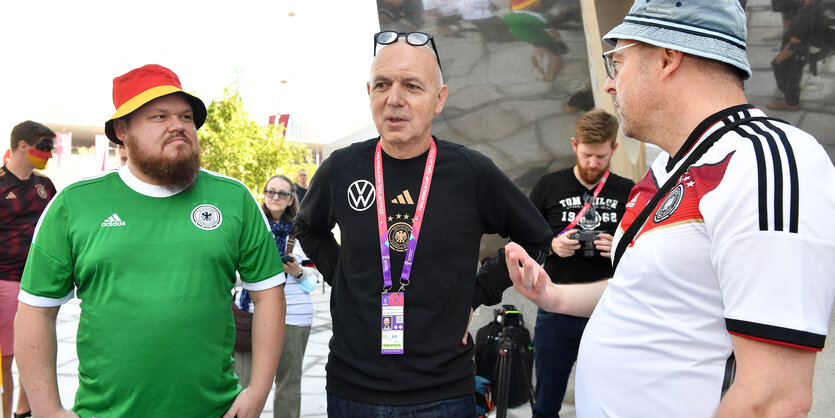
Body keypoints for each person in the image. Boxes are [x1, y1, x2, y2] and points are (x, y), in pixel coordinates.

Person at [505, 1, 835, 416]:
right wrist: (556, 297)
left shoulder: (765, 160)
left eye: (617, 62)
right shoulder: (670, 164)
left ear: (666, 58)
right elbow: (653, 289)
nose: (610, 85)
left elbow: (774, 399)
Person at [295, 31, 552, 416]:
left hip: (442, 391)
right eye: (382, 84)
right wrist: (341, 275)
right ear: (369, 92)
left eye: (412, 85)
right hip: (352, 388)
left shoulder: (470, 172)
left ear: (439, 98)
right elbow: (308, 228)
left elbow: (536, 239)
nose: (394, 98)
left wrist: (478, 291)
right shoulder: (341, 168)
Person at [14, 64, 287, 418]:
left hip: (215, 410)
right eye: (159, 116)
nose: (178, 125)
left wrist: (257, 391)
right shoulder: (73, 203)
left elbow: (268, 294)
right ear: (122, 130)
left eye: (186, 116)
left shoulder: (233, 198)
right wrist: (48, 410)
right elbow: (35, 310)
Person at [527, 108, 634, 418]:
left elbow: (648, 249)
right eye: (586, 154)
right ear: (574, 145)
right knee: (547, 401)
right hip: (557, 309)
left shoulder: (628, 190)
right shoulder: (548, 186)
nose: (592, 164)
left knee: (609, 402)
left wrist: (620, 246)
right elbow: (523, 241)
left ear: (614, 149)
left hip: (610, 310)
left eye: (601, 157)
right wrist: (551, 244)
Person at [233, 174, 320, 418]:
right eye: (270, 191)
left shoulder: (303, 232)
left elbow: (315, 284)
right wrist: (263, 270)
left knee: (288, 386)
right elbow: (232, 273)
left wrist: (298, 272)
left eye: (282, 193)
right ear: (263, 194)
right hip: (251, 316)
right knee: (242, 385)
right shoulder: (247, 227)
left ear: (291, 199)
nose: (275, 197)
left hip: (293, 316)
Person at [1, 121, 57, 418]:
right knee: (5, 357)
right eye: (44, 148)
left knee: (32, 350)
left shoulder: (45, 186)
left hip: (37, 282)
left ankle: (24, 410)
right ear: (22, 145)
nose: (49, 155)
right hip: (5, 280)